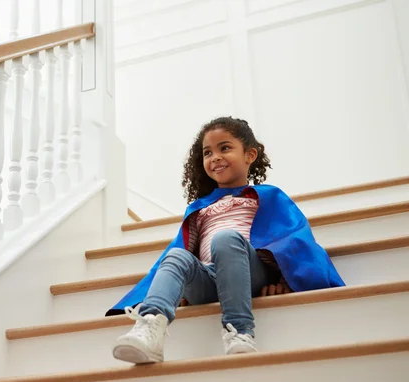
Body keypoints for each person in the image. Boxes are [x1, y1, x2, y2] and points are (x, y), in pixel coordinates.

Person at [107, 117, 345, 364]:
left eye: (225, 148)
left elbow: (293, 240)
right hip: (209, 280)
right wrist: (181, 287)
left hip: (249, 273)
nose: (215, 157)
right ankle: (150, 329)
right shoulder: (199, 208)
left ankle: (240, 331)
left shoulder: (268, 196)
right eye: (207, 152)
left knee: (225, 239)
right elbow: (182, 249)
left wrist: (284, 278)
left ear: (249, 155)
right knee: (176, 256)